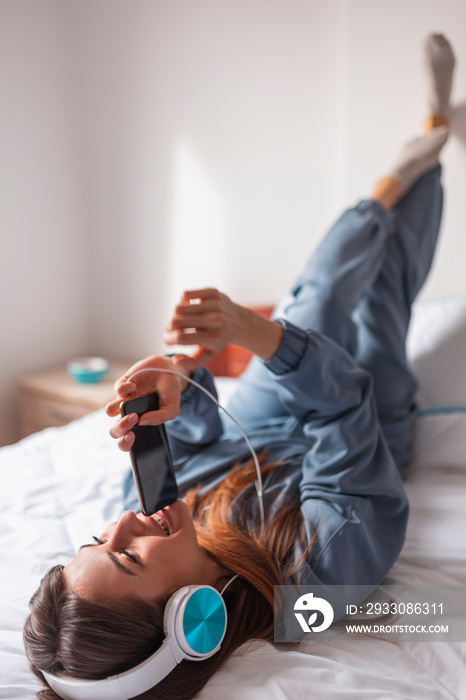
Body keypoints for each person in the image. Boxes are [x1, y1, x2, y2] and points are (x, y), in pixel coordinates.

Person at [24, 33, 456, 700]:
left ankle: (406, 166)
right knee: (383, 303)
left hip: (256, 427)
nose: (122, 522)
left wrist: (174, 381)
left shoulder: (156, 516)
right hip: (355, 429)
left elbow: (201, 434)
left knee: (313, 308)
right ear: (193, 616)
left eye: (96, 538)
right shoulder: (320, 577)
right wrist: (256, 334)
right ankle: (425, 150)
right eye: (126, 556)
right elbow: (342, 407)